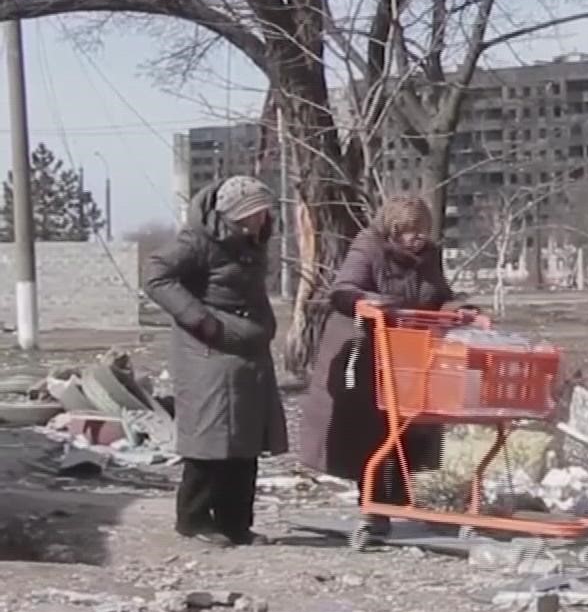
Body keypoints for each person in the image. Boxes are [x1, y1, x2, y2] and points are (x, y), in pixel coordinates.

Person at [294, 195, 456, 537]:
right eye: (408, 232)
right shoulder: (369, 246)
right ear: (392, 230)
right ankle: (372, 504)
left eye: (421, 232)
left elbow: (440, 292)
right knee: (371, 431)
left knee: (412, 426)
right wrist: (369, 301)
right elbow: (343, 290)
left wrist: (460, 307)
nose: (416, 239)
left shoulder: (430, 256)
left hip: (411, 350)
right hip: (367, 349)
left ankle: (399, 497)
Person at [144, 175, 286, 548]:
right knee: (210, 440)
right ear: (235, 214)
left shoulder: (254, 241)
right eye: (255, 213)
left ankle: (236, 523)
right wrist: (200, 319)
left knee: (245, 442)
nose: (262, 219)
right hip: (207, 352)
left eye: (264, 211)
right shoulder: (198, 241)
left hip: (247, 355)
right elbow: (157, 276)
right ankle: (193, 520)